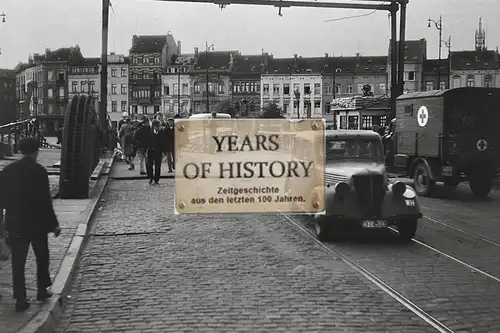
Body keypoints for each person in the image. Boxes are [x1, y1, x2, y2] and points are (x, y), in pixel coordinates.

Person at [0, 138, 61, 312]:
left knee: (18, 261)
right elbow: (45, 201)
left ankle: (20, 297)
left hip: (16, 222)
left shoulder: (8, 171)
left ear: (20, 151)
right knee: (42, 257)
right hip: (37, 223)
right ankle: (42, 289)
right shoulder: (39, 171)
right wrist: (54, 224)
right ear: (36, 151)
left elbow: (1, 198)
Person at [146, 120, 166, 184]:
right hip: (150, 151)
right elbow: (147, 142)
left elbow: (163, 143)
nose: (158, 128)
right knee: (149, 165)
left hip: (158, 151)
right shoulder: (149, 133)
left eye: (159, 127)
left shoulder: (161, 133)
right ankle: (151, 177)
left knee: (158, 166)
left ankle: (156, 179)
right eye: (157, 127)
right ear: (154, 127)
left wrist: (163, 152)